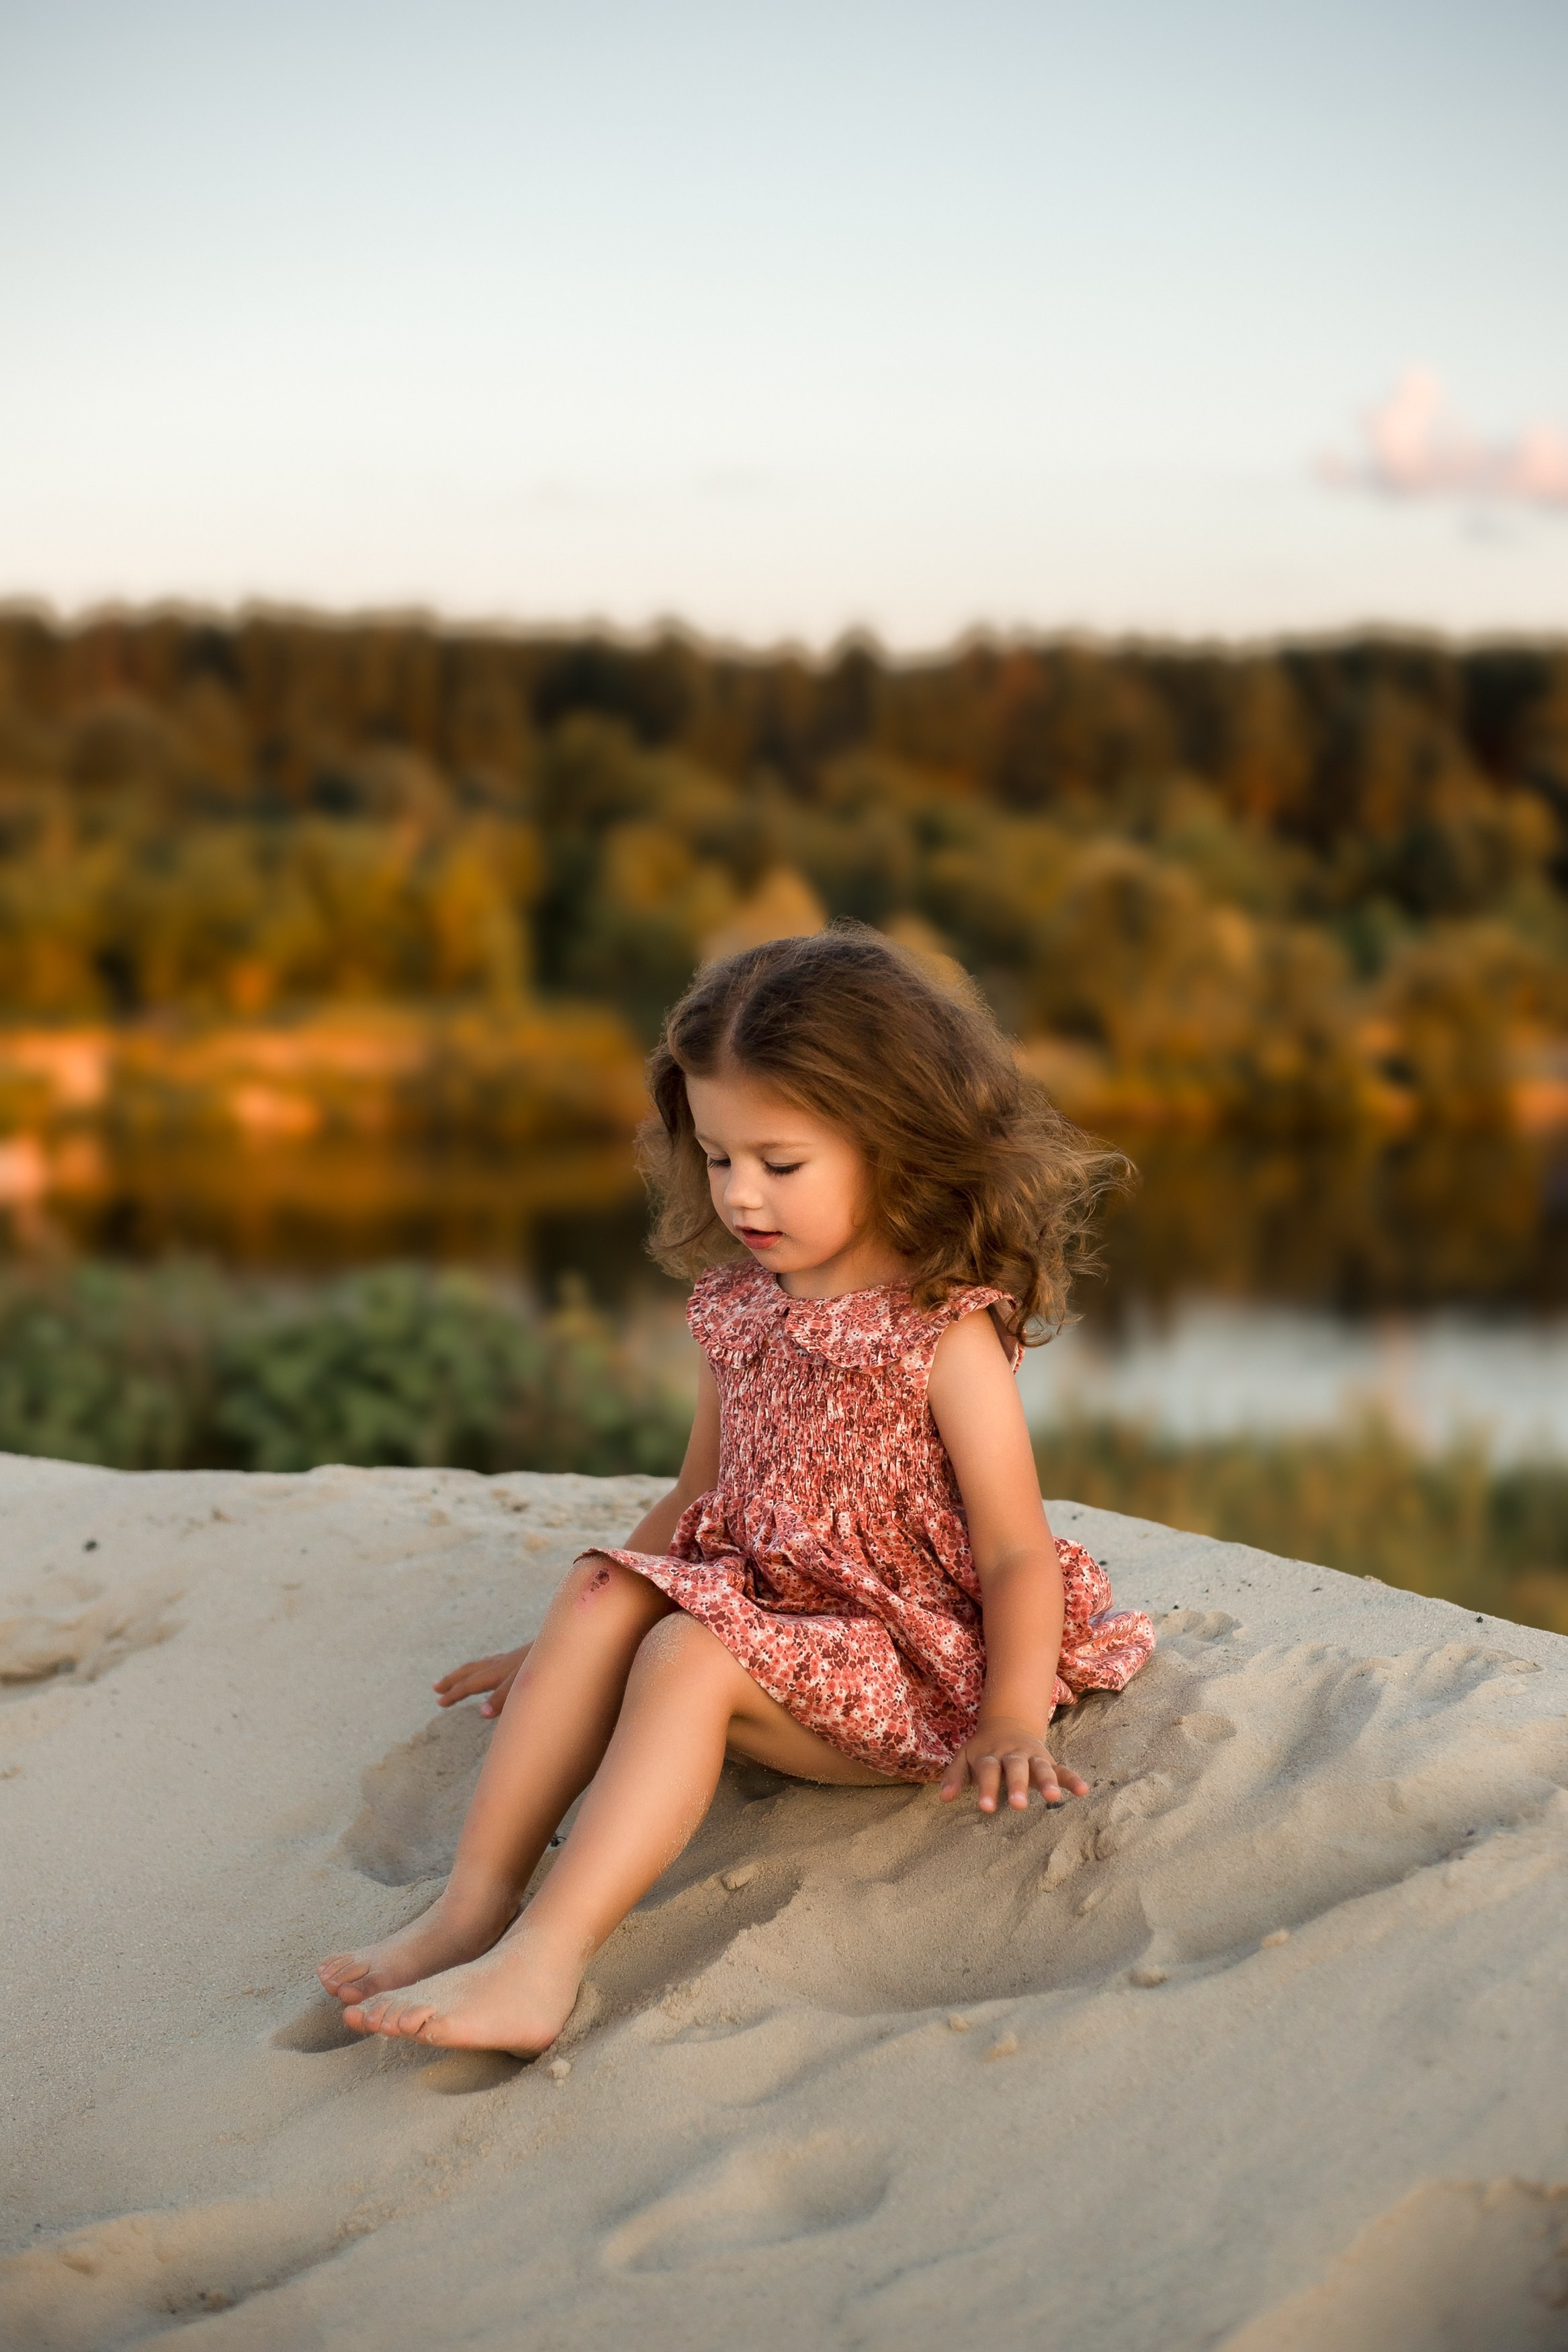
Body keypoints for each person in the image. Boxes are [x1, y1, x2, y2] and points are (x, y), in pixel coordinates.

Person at [318, 927, 1155, 2054]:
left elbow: (1011, 1549)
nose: (742, 1195)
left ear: (893, 1145)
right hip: (760, 1608)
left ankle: (543, 1966)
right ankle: (471, 1909)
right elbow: (696, 1495)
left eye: (780, 1161)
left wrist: (1007, 1714)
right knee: (602, 1587)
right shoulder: (738, 1306)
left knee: (684, 1649)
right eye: (717, 1158)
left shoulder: (940, 1334)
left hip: (896, 1664)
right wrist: (569, 1652)